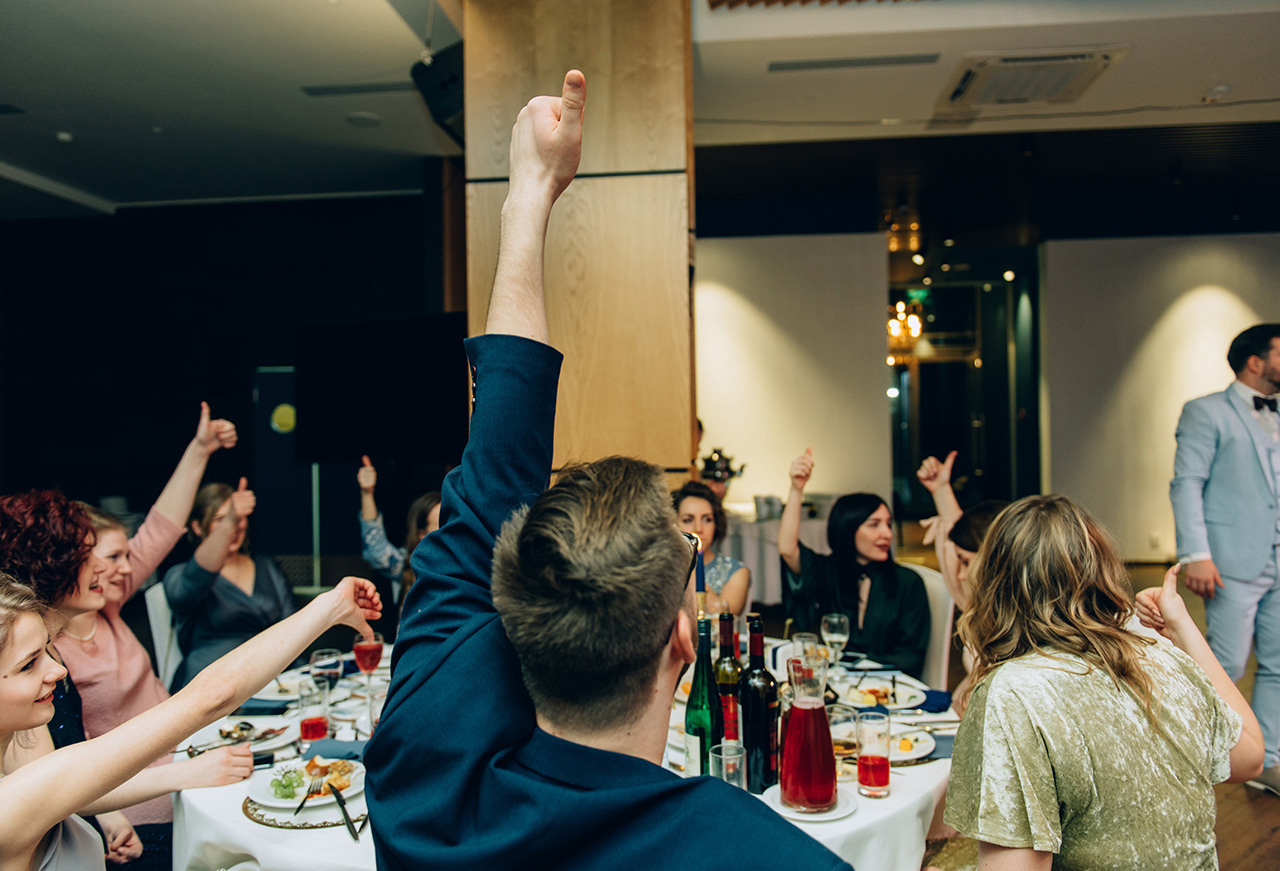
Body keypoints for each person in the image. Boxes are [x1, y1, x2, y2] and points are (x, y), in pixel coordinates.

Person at [364, 71, 850, 870]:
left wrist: (528, 195)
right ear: (683, 645)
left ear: (511, 630)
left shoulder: (419, 768)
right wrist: (532, 196)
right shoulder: (765, 855)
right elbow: (496, 479)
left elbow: (495, 471)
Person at [944, 494, 1262, 869]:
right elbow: (1249, 757)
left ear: (993, 583)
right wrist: (1181, 628)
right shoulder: (1161, 656)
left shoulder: (1014, 691)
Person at [0, 568, 379, 871]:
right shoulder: (13, 805)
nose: (58, 671)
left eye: (49, 651)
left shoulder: (22, 743)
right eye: (29, 665)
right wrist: (328, 610)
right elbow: (213, 697)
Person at [1171, 322, 1280, 796]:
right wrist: (1196, 553)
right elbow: (1187, 482)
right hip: (1235, 558)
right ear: (1256, 361)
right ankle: (1194, 757)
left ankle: (1268, 761)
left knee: (1278, 664)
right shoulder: (1206, 412)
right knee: (1226, 663)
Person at [778, 448, 930, 678]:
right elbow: (788, 549)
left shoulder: (907, 583)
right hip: (839, 683)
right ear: (848, 529)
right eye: (874, 524)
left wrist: (859, 668)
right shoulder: (830, 572)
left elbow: (911, 655)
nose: (886, 534)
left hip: (889, 686)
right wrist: (796, 489)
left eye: (888, 524)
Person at [162, 478, 295, 690]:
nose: (233, 526)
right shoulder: (181, 575)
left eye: (237, 518)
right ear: (197, 527)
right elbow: (186, 591)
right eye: (221, 520)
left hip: (267, 683)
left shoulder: (267, 567)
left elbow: (292, 629)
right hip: (208, 687)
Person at [916, 450, 1007, 712]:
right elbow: (961, 543)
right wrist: (941, 490)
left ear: (994, 559)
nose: (959, 574)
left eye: (966, 563)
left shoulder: (1018, 627)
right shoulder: (980, 604)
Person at [356, 454, 441, 596]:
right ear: (422, 534)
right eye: (441, 524)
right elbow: (377, 552)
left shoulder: (465, 566)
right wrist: (367, 493)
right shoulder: (410, 568)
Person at [672, 480, 750, 615]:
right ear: (673, 524)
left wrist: (693, 568)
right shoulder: (661, 568)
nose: (698, 528)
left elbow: (723, 620)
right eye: (688, 520)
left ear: (716, 523)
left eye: (707, 519)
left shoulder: (736, 571)